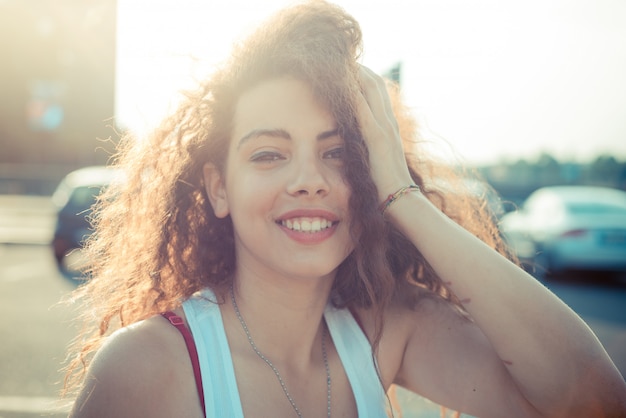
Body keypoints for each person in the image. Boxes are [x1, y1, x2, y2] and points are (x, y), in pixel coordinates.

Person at [64, 1, 626, 417]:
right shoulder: (147, 369)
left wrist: (403, 198)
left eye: (339, 154)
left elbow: (594, 400)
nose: (309, 180)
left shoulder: (388, 331)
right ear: (218, 189)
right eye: (268, 154)